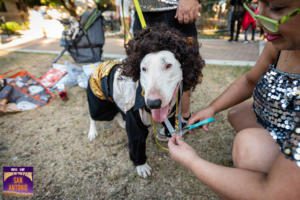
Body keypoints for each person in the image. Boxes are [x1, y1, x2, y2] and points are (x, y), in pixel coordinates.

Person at [168, 0, 300, 198]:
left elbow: (273, 193)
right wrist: (212, 108)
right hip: (286, 122)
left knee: (247, 147)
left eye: (277, 8)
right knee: (237, 115)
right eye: (257, 4)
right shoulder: (283, 45)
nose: (258, 19)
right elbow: (250, 80)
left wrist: (193, 161)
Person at [132, 0, 201, 138]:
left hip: (176, 11)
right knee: (147, 66)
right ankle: (161, 121)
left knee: (185, 70)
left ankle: (183, 119)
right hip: (142, 11)